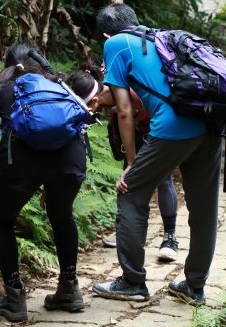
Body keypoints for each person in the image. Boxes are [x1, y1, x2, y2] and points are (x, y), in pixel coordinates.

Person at [91, 3, 224, 306]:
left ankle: (132, 282)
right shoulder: (161, 37)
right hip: (211, 124)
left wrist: (131, 163)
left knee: (130, 192)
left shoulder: (115, 43)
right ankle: (195, 286)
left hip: (173, 127)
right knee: (204, 208)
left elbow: (123, 111)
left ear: (106, 33)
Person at [0, 43, 98, 321]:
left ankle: (14, 297)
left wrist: (0, 181)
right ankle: (69, 287)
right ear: (40, 64)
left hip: (21, 162)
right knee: (62, 214)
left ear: (7, 66)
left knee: (3, 222)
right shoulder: (58, 85)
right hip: (71, 159)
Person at [66, 66, 180, 262]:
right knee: (127, 179)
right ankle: (126, 231)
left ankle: (170, 237)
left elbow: (130, 113)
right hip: (137, 130)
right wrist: (130, 160)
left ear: (92, 100)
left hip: (160, 127)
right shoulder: (109, 94)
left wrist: (135, 160)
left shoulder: (132, 94)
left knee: (164, 178)